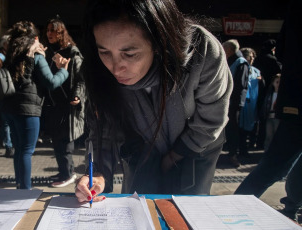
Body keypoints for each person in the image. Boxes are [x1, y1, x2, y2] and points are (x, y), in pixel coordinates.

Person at [74, 0, 232, 203]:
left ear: (159, 43)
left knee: (187, 208)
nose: (115, 68)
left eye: (129, 54)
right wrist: (96, 173)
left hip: (196, 148)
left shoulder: (203, 50)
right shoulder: (100, 71)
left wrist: (174, 156)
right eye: (104, 52)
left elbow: (212, 118)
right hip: (141, 149)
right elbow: (103, 132)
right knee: (138, 205)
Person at [235, 0, 302, 223]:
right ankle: (230, 209)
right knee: (277, 164)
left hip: (295, 97)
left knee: (278, 163)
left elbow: (283, 50)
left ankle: (291, 208)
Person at [1, 21, 71, 189]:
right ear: (35, 38)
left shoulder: (12, 55)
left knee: (19, 149)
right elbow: (51, 82)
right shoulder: (36, 56)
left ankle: (20, 184)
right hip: (28, 109)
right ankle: (25, 190)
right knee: (27, 150)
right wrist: (64, 70)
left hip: (9, 108)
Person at [42, 17, 86, 188]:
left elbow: (82, 79)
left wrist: (77, 96)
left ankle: (68, 173)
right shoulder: (49, 52)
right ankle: (63, 171)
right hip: (54, 104)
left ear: (61, 32)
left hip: (68, 104)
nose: (49, 34)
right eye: (48, 30)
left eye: (53, 30)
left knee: (65, 140)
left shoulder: (72, 52)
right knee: (56, 140)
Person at [222, 39, 250, 168]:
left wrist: (236, 103)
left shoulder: (241, 63)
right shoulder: (229, 61)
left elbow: (240, 85)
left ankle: (233, 154)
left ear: (230, 50)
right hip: (227, 101)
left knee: (233, 129)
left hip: (234, 103)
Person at [252, 39, 282, 149]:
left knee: (259, 118)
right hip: (270, 91)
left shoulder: (258, 59)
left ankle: (256, 141)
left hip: (257, 92)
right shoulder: (274, 61)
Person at [237, 47, 262, 158]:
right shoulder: (240, 67)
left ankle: (246, 148)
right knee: (240, 128)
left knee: (250, 127)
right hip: (242, 103)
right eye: (249, 56)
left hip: (252, 103)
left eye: (252, 57)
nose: (251, 59)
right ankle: (240, 149)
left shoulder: (256, 71)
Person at [261, 74, 280, 151]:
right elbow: (266, 105)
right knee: (269, 135)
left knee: (277, 136)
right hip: (269, 117)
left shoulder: (282, 95)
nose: (278, 84)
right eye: (277, 82)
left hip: (277, 117)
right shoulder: (270, 93)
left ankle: (275, 152)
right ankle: (267, 151)